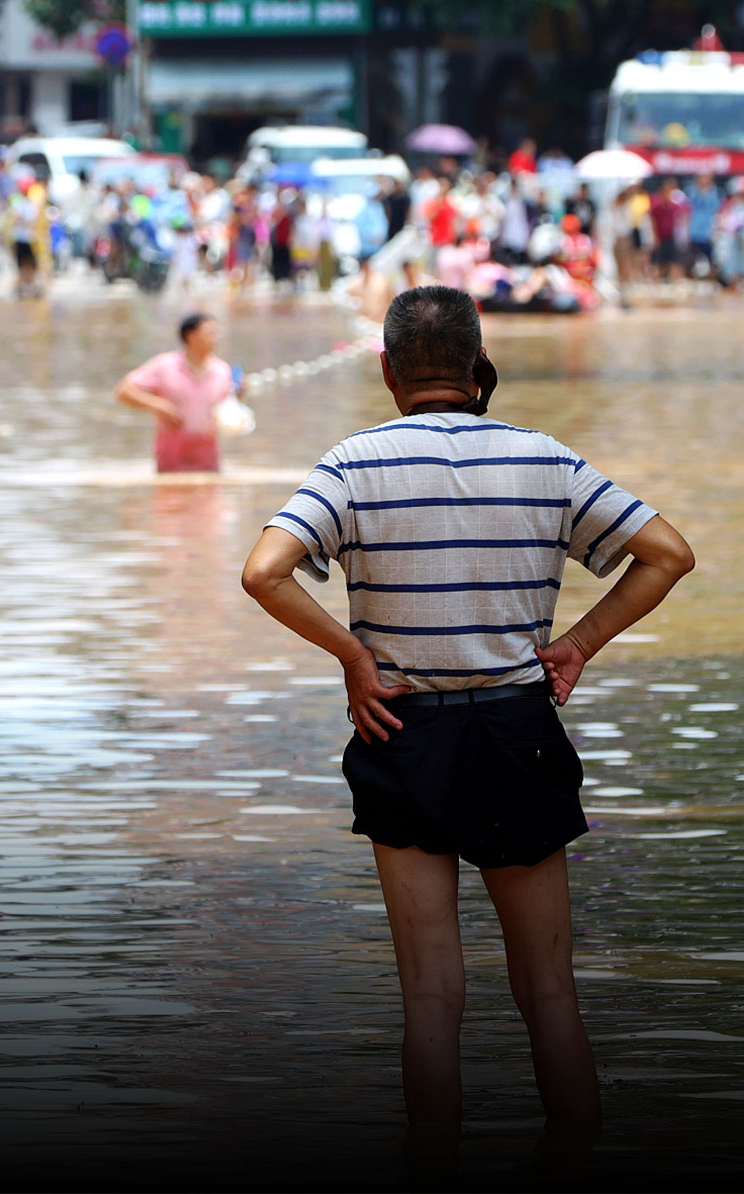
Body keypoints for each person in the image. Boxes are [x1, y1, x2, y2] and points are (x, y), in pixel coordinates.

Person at [239, 285, 696, 1165]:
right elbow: (668, 554)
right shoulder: (544, 460)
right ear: (480, 368)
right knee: (549, 992)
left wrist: (352, 655)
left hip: (402, 733)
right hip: (518, 731)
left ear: (387, 371)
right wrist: (580, 644)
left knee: (430, 998)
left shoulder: (352, 464)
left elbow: (265, 572)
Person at [115, 313, 239, 473]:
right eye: (209, 334)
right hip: (172, 456)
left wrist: (239, 396)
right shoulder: (164, 366)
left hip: (208, 457)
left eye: (216, 333)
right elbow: (124, 391)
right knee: (170, 497)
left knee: (211, 496)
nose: (215, 338)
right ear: (191, 336)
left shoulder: (222, 370)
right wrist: (158, 405)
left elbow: (228, 407)